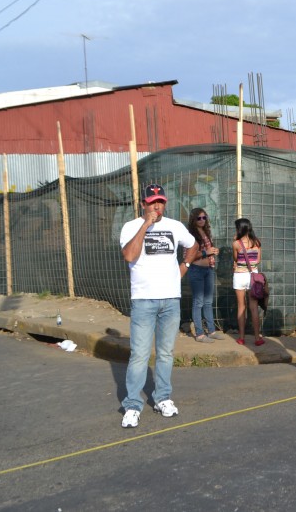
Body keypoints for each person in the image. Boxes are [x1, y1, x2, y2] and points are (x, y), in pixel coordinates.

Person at [118, 183, 196, 428]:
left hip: (171, 300)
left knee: (165, 353)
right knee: (139, 355)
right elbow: (129, 256)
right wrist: (145, 226)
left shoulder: (175, 226)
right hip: (143, 300)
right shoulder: (131, 227)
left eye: (160, 201)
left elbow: (192, 245)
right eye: (152, 202)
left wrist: (184, 267)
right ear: (143, 204)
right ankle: (132, 405)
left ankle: (162, 397)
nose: (157, 206)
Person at [184, 207, 223, 342]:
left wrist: (213, 251)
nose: (202, 220)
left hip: (208, 270)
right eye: (199, 218)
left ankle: (211, 331)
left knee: (208, 302)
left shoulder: (206, 233)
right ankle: (200, 334)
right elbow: (188, 256)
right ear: (193, 220)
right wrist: (207, 252)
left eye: (204, 217)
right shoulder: (190, 236)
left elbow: (208, 251)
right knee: (198, 302)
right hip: (196, 270)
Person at [232, 218, 264, 346]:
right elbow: (258, 261)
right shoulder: (256, 242)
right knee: (254, 307)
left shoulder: (236, 244)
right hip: (253, 277)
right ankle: (257, 338)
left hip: (239, 275)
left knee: (241, 307)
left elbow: (235, 258)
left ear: (239, 229)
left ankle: (241, 337)